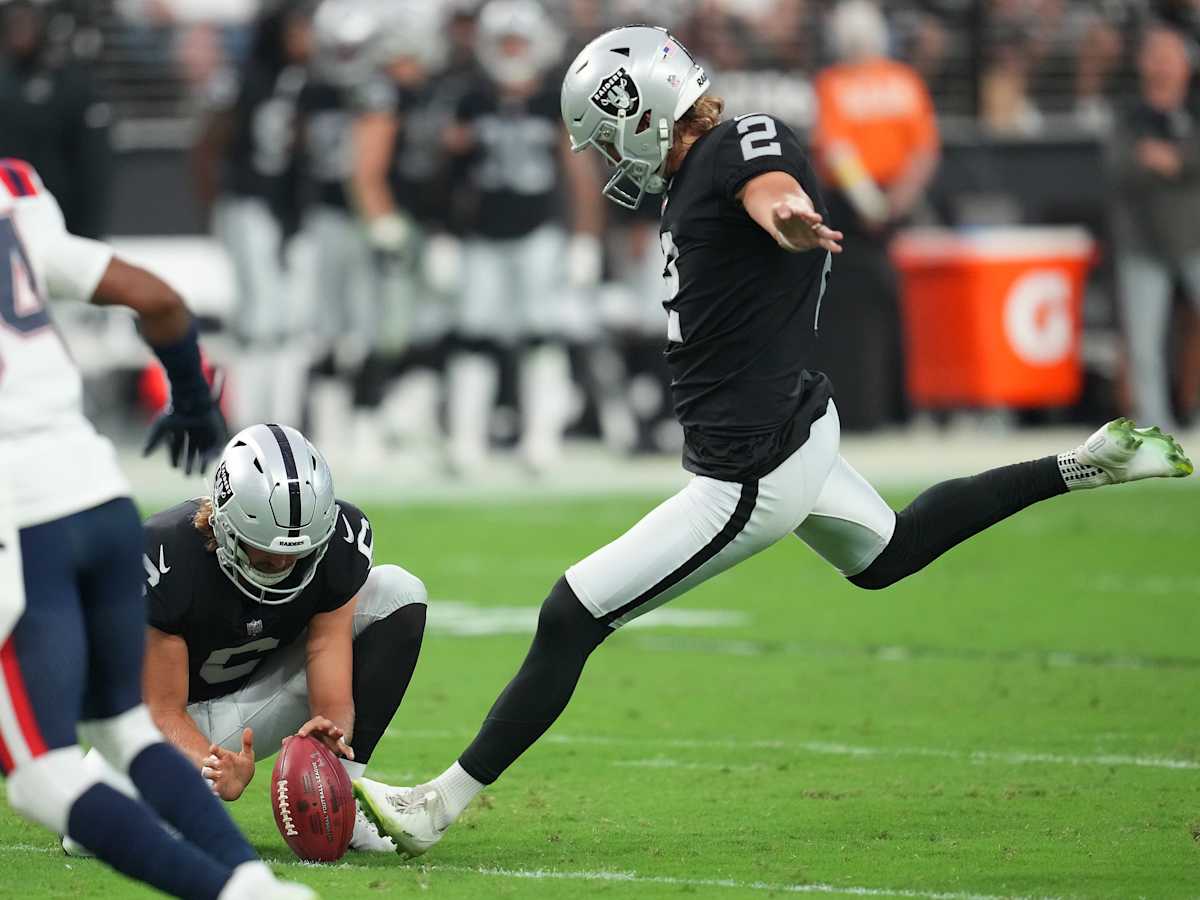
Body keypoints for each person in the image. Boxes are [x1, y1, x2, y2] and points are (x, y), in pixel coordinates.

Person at [350, 24, 1194, 857]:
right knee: (889, 553)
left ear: (645, 113)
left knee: (571, 615)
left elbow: (770, 182)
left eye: (610, 135)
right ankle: (1084, 464)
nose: (608, 156)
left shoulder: (733, 145)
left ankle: (437, 805)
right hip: (795, 428)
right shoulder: (696, 166)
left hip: (750, 472)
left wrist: (787, 214)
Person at [0, 158, 312, 899]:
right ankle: (258, 888)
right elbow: (159, 299)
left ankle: (229, 897)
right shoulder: (11, 189)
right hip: (99, 495)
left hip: (19, 519)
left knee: (42, 779)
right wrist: (195, 402)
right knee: (128, 731)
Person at [64, 423, 428, 856]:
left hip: (258, 694)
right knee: (85, 835)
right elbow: (161, 709)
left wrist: (332, 730)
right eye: (266, 550)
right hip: (171, 720)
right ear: (225, 525)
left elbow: (326, 649)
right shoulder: (165, 556)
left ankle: (339, 805)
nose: (282, 562)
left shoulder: (338, 545)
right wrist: (212, 767)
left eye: (298, 552)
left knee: (398, 591)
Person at [442, 0, 604, 474]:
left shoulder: (555, 100)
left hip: (539, 234)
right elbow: (449, 176)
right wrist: (444, 234)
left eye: (519, 41)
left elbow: (580, 173)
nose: (512, 51)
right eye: (504, 42)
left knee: (542, 336)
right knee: (474, 336)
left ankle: (540, 439)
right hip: (480, 235)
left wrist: (584, 237)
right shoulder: (470, 98)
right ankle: (466, 440)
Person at [809, 0, 939, 432]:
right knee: (893, 308)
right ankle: (898, 409)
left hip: (860, 210)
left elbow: (838, 151)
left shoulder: (836, 84)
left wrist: (874, 205)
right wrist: (893, 203)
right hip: (884, 207)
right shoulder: (902, 82)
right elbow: (922, 152)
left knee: (857, 312)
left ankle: (869, 408)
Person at [192, 0, 315, 428]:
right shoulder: (244, 78)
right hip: (248, 203)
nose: (306, 38)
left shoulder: (312, 80)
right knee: (259, 316)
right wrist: (214, 203)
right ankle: (251, 423)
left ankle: (284, 422)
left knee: (293, 319)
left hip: (295, 210)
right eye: (298, 29)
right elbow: (210, 141)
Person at [1111, 23, 1200, 433]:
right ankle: (1154, 426)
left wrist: (1174, 160)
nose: (1163, 66)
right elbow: (1120, 167)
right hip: (1142, 243)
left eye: (1171, 57)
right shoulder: (1129, 115)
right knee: (1144, 344)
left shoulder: (1194, 109)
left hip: (1195, 237)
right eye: (1156, 56)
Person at [0, 0, 112, 239]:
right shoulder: (4, 81)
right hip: (8, 221)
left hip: (61, 222)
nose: (20, 30)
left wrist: (90, 232)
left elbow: (93, 164)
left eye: (26, 21)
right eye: (14, 21)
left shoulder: (71, 82)